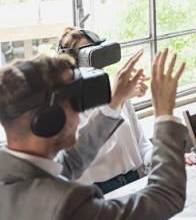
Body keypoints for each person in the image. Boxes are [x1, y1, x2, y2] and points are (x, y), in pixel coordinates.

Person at [0, 48, 188, 220]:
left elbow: (69, 163)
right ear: (48, 119)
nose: (81, 113)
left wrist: (115, 102)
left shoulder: (19, 176)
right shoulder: (63, 209)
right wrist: (164, 114)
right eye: (76, 103)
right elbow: (165, 197)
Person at [57, 27, 156, 193]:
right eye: (90, 56)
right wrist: (115, 101)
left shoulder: (118, 93)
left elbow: (143, 146)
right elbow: (85, 153)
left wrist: (164, 159)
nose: (98, 63)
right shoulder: (64, 109)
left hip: (136, 183)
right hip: (96, 194)